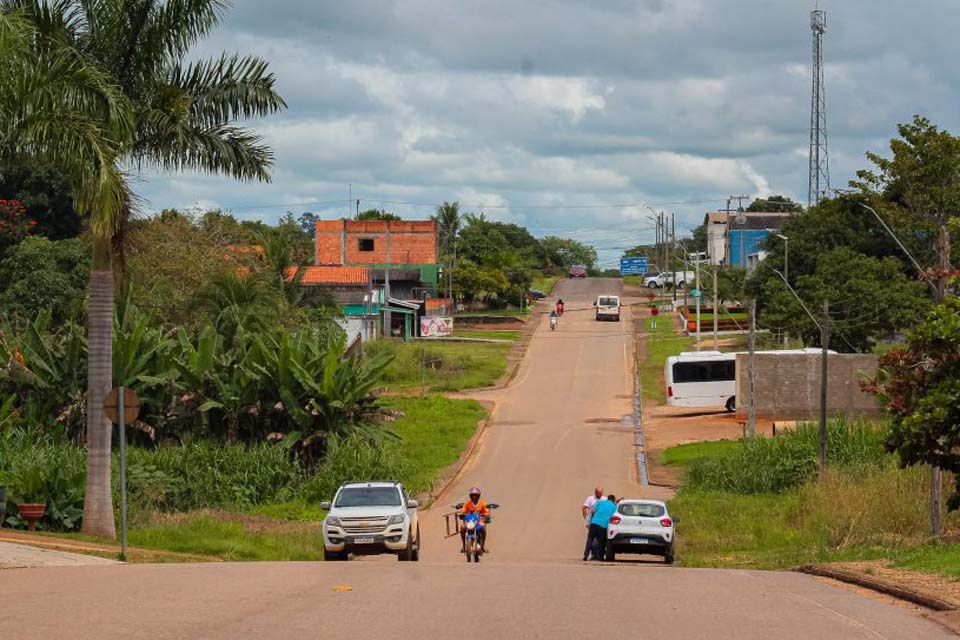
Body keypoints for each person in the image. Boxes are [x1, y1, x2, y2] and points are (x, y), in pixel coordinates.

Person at [459, 486, 491, 553]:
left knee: (483, 528)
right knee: (462, 527)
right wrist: (461, 513)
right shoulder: (467, 503)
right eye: (473, 495)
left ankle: (482, 546)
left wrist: (486, 514)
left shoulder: (482, 503)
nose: (474, 497)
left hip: (479, 522)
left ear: (478, 496)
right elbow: (463, 510)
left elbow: (486, 511)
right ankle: (464, 546)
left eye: (475, 495)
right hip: (469, 522)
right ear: (470, 496)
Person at [586, 494, 618, 561]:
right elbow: (615, 516)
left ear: (607, 499)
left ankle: (586, 554)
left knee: (590, 539)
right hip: (603, 525)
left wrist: (590, 521)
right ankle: (601, 557)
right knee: (602, 541)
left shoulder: (600, 502)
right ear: (613, 500)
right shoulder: (614, 506)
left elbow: (592, 511)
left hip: (594, 523)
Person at [582, 487, 604, 560]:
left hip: (601, 522)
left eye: (601, 493)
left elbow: (609, 503)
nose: (600, 495)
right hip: (592, 521)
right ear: (595, 493)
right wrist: (586, 518)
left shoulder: (604, 498)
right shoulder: (590, 499)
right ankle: (589, 554)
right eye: (599, 494)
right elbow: (584, 507)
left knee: (598, 539)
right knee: (592, 538)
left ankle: (595, 554)